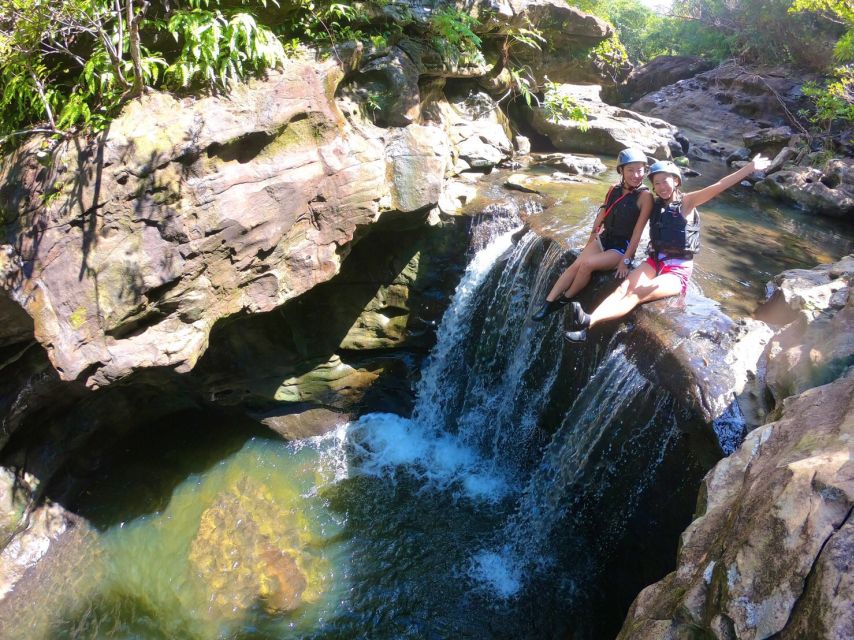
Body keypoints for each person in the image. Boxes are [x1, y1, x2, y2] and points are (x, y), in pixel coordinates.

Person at [564, 154, 771, 343]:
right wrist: (618, 252)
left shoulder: (688, 202)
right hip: (655, 260)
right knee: (624, 288)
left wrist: (750, 168)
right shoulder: (654, 204)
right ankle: (586, 321)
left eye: (666, 181)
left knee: (638, 294)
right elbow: (626, 211)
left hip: (677, 270)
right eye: (657, 183)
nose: (662, 187)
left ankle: (588, 323)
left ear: (676, 181)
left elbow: (719, 185)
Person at [531, 147, 653, 321]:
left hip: (620, 248)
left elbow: (638, 232)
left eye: (640, 170)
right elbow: (602, 216)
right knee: (576, 264)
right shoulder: (613, 189)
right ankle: (548, 303)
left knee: (586, 265)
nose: (636, 175)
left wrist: (626, 260)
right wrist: (590, 241)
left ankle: (564, 300)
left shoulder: (645, 197)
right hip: (604, 239)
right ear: (621, 171)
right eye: (630, 170)